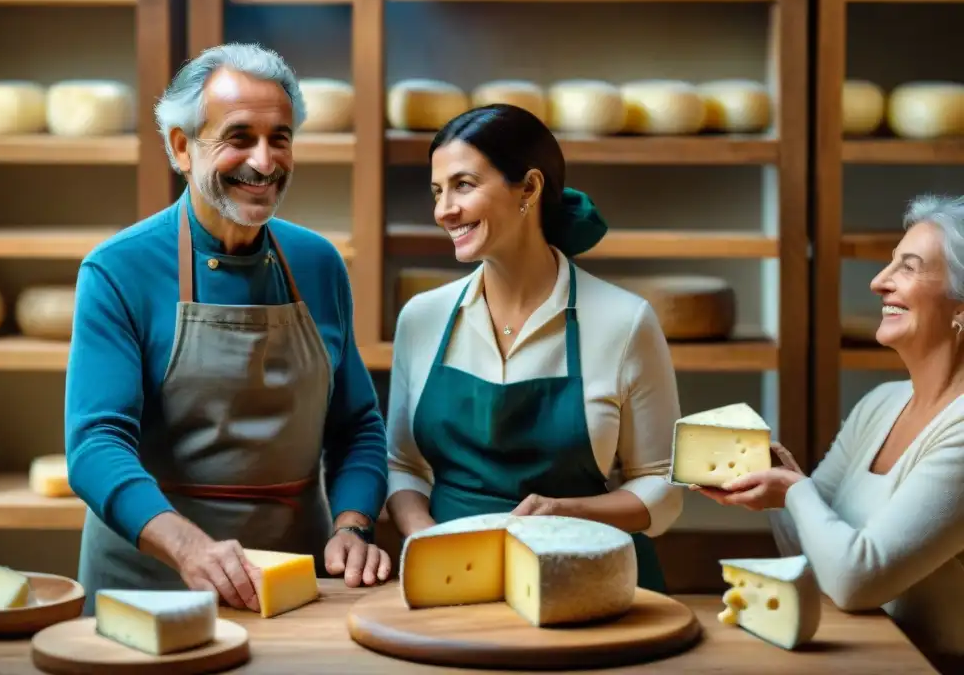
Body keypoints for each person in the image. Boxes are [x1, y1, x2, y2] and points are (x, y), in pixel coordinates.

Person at [65, 43, 391, 615]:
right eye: (239, 138)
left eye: (281, 138)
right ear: (182, 147)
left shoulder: (317, 263)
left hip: (294, 580)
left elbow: (357, 424)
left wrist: (353, 526)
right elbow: (95, 445)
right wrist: (191, 548)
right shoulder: (119, 269)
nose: (264, 162)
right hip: (152, 583)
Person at [384, 103, 684, 592]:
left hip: (587, 581)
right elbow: (403, 466)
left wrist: (566, 513)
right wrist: (430, 541)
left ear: (530, 188)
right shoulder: (423, 318)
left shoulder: (624, 321)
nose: (443, 210)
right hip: (454, 585)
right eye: (437, 191)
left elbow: (663, 484)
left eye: (463, 185)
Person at [698, 193, 964, 672]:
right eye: (889, 265)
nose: (879, 282)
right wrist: (778, 489)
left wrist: (797, 491)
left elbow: (855, 581)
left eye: (909, 267)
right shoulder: (881, 403)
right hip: (866, 658)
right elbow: (809, 555)